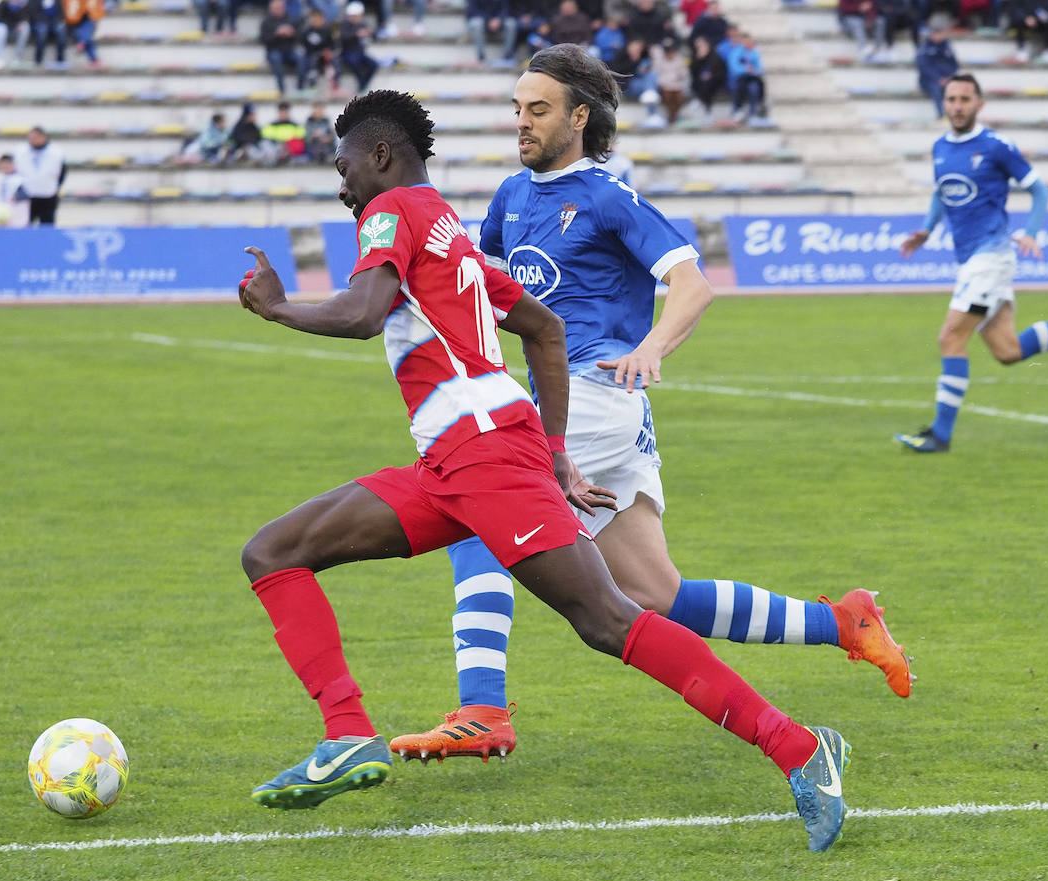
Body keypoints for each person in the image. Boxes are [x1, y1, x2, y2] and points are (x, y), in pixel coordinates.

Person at [237, 87, 854, 853]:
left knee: (611, 619)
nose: (342, 185)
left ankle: (799, 747)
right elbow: (543, 326)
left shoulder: (392, 212)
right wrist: (555, 456)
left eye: (344, 166)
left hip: (484, 454)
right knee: (273, 552)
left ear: (382, 156)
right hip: (455, 463)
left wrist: (277, 306)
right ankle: (348, 735)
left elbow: (364, 313)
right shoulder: (452, 234)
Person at [384, 44, 912, 771]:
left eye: (538, 110)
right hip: (572, 409)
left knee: (475, 515)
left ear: (579, 116)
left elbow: (692, 284)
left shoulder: (608, 197)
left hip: (594, 398)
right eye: (516, 109)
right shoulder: (511, 197)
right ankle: (843, 623)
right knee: (656, 593)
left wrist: (653, 346)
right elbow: (486, 282)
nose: (522, 122)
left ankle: (482, 711)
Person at [893, 74, 1048, 454]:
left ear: (980, 104)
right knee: (1007, 351)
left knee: (951, 337)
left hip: (992, 259)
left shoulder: (996, 146)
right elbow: (942, 192)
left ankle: (940, 435)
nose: (957, 106)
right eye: (952, 99)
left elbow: (1040, 189)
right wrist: (926, 230)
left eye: (965, 99)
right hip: (971, 260)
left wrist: (1032, 231)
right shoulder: (940, 147)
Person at [13, 126, 66, 225]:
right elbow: (16, 172)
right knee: (25, 225)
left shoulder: (56, 152)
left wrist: (55, 187)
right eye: (31, 137)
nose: (33, 140)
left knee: (47, 226)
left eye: (36, 137)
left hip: (48, 194)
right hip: (27, 195)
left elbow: (62, 173)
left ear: (44, 137)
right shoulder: (20, 152)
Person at [260, 0, 310, 95]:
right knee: (276, 58)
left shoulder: (291, 19)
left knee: (301, 57)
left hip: (289, 50)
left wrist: (292, 33)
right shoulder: (266, 22)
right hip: (274, 50)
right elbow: (264, 40)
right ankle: (281, 88)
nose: (279, 10)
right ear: (271, 9)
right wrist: (277, 34)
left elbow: (300, 37)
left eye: (281, 8)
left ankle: (300, 87)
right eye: (276, 8)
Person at [916, 23, 958, 118]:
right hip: (928, 81)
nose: (938, 36)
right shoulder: (925, 47)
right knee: (936, 87)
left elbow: (954, 65)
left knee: (956, 88)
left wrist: (948, 77)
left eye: (940, 33)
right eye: (936, 33)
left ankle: (955, 114)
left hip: (946, 79)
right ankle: (942, 115)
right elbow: (923, 67)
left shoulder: (947, 47)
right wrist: (938, 78)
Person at [0, 153, 30, 227]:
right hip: (1, 214)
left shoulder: (20, 179)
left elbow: (26, 194)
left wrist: (16, 197)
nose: (5, 166)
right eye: (3, 163)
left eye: (8, 163)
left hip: (17, 215)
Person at [0, 0, 29, 69]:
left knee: (25, 27)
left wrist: (19, 24)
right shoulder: (3, 3)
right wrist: (14, 25)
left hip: (11, 29)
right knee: (2, 30)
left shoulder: (21, 6)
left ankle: (17, 59)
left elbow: (24, 19)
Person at [26, 0, 68, 67]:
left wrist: (58, 22)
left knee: (61, 31)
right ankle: (38, 60)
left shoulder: (58, 1)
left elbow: (61, 13)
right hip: (40, 21)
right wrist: (43, 21)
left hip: (54, 22)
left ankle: (60, 60)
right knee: (42, 32)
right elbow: (32, 13)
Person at [63, 0, 105, 67]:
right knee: (85, 36)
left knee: (87, 27)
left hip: (86, 22)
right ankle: (94, 59)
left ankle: (82, 43)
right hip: (71, 24)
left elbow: (96, 12)